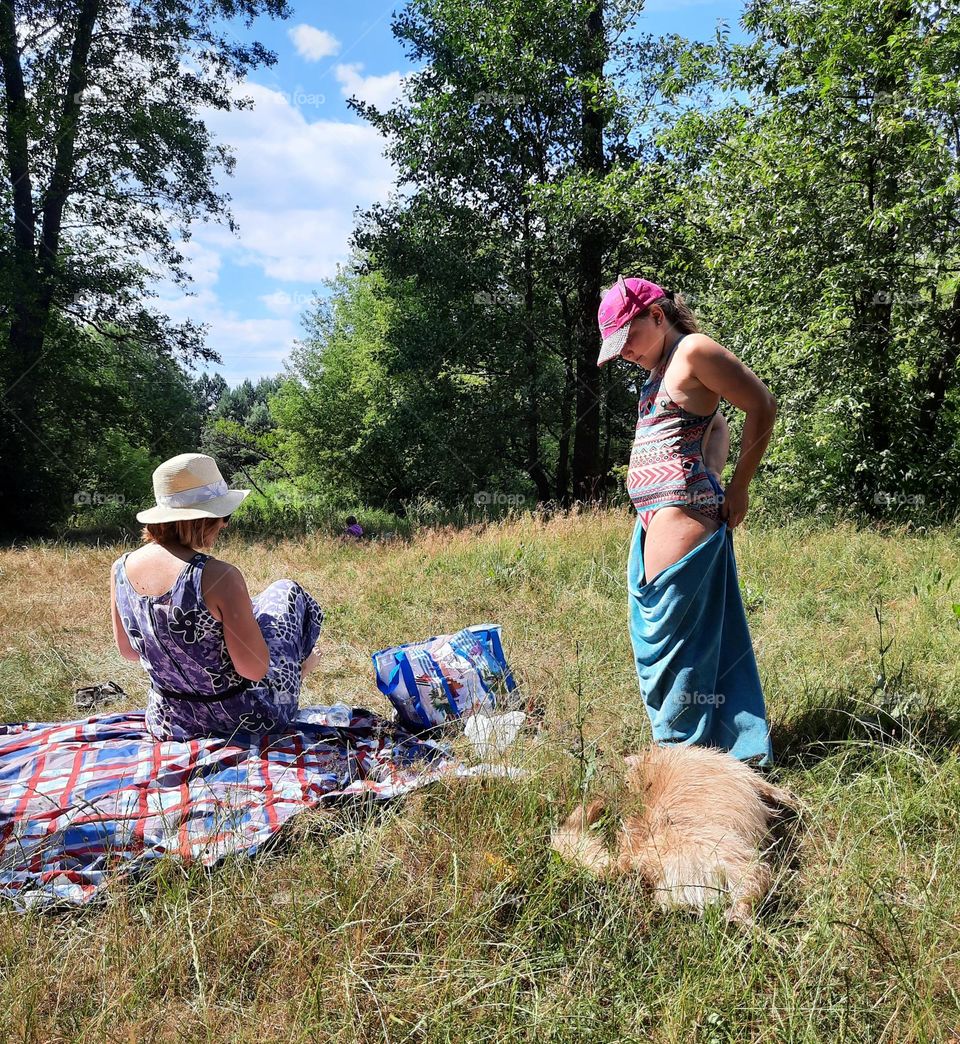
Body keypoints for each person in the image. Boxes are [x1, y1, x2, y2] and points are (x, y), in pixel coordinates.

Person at [598, 276, 777, 764]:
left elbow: (761, 405)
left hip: (682, 517)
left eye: (628, 337)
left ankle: (681, 762)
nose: (625, 352)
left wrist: (735, 488)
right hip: (657, 518)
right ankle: (709, 754)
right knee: (673, 642)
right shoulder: (658, 371)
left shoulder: (694, 350)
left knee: (671, 648)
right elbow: (714, 422)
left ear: (657, 314)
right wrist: (711, 472)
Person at [110, 452, 325, 741]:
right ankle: (299, 672)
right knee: (286, 592)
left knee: (255, 608)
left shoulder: (120, 568)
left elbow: (128, 651)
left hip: (169, 721)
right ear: (200, 519)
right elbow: (253, 669)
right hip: (245, 721)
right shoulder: (219, 576)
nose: (225, 524)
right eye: (222, 516)